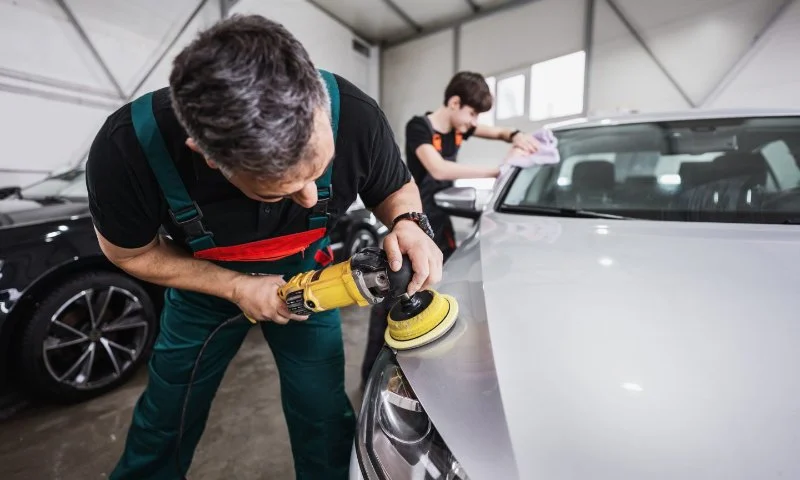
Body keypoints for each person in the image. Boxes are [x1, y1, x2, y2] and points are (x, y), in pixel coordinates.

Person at [85, 14, 442, 480]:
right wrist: (236, 288)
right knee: (168, 413)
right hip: (203, 288)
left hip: (311, 281)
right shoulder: (127, 150)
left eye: (321, 169)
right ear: (208, 155)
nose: (312, 198)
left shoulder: (355, 114)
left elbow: (394, 187)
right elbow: (129, 253)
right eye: (282, 190)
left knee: (322, 412)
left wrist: (409, 222)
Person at [360, 71, 538, 386]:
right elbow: (437, 168)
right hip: (412, 225)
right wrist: (498, 171)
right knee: (397, 296)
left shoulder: (461, 128)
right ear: (454, 103)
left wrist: (515, 135)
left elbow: (496, 132)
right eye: (471, 113)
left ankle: (428, 375)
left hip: (441, 225)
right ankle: (375, 377)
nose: (473, 122)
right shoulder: (421, 127)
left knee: (443, 291)